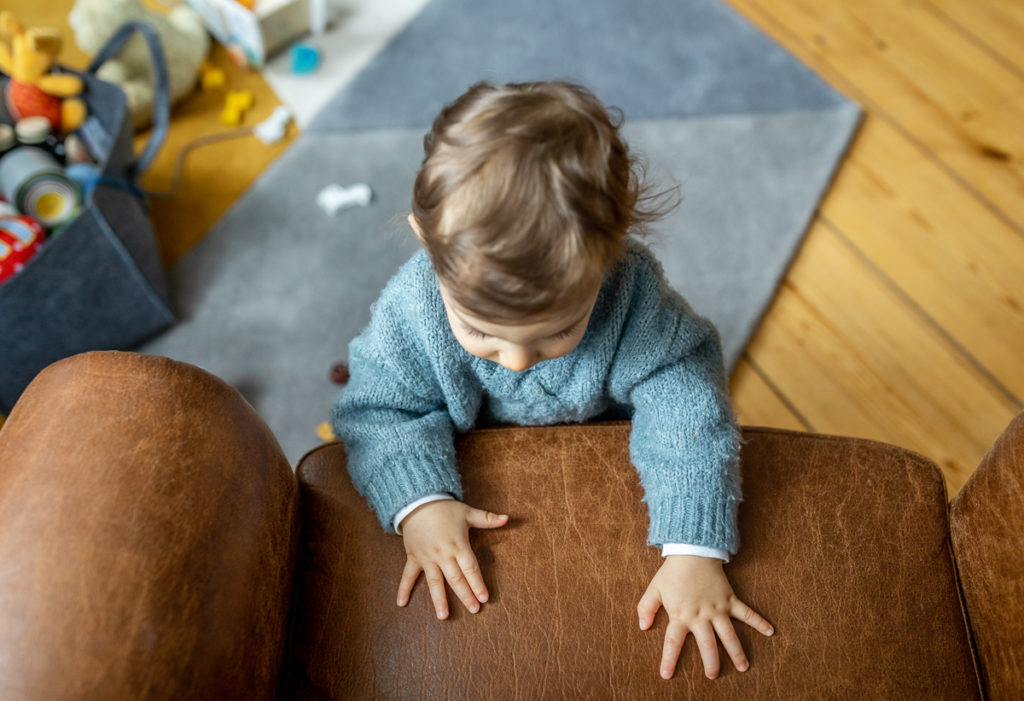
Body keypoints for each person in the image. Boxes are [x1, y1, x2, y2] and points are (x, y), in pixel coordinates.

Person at [331, 80, 773, 681]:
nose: (515, 361)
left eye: (556, 333)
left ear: (610, 257)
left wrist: (693, 547)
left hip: (606, 437)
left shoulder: (631, 290)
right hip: (471, 448)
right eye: (481, 332)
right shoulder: (413, 309)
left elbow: (686, 397)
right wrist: (421, 503)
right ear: (426, 244)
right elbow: (379, 410)